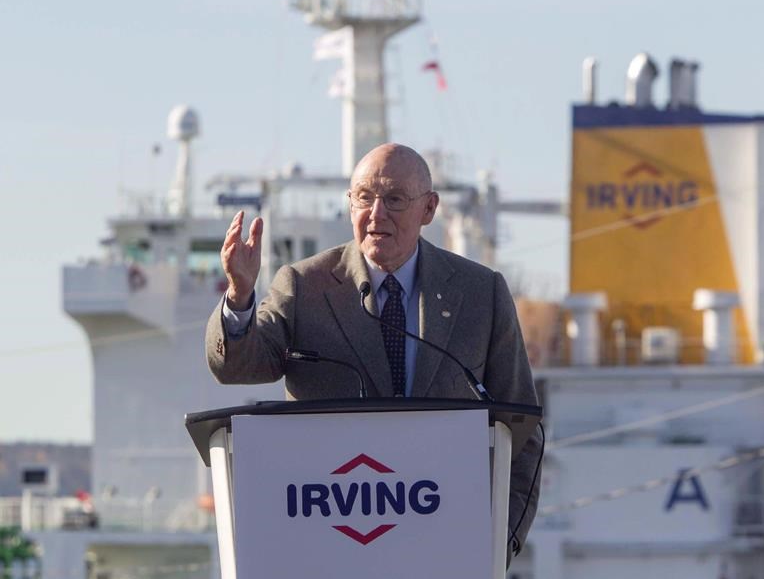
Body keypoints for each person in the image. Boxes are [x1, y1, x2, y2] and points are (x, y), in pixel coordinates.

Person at [205, 142, 541, 552]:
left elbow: (522, 431)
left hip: (444, 551)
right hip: (330, 548)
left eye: (394, 199)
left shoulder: (480, 293)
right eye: (364, 197)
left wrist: (497, 545)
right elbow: (239, 367)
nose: (376, 214)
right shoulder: (303, 285)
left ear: (429, 209)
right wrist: (240, 296)